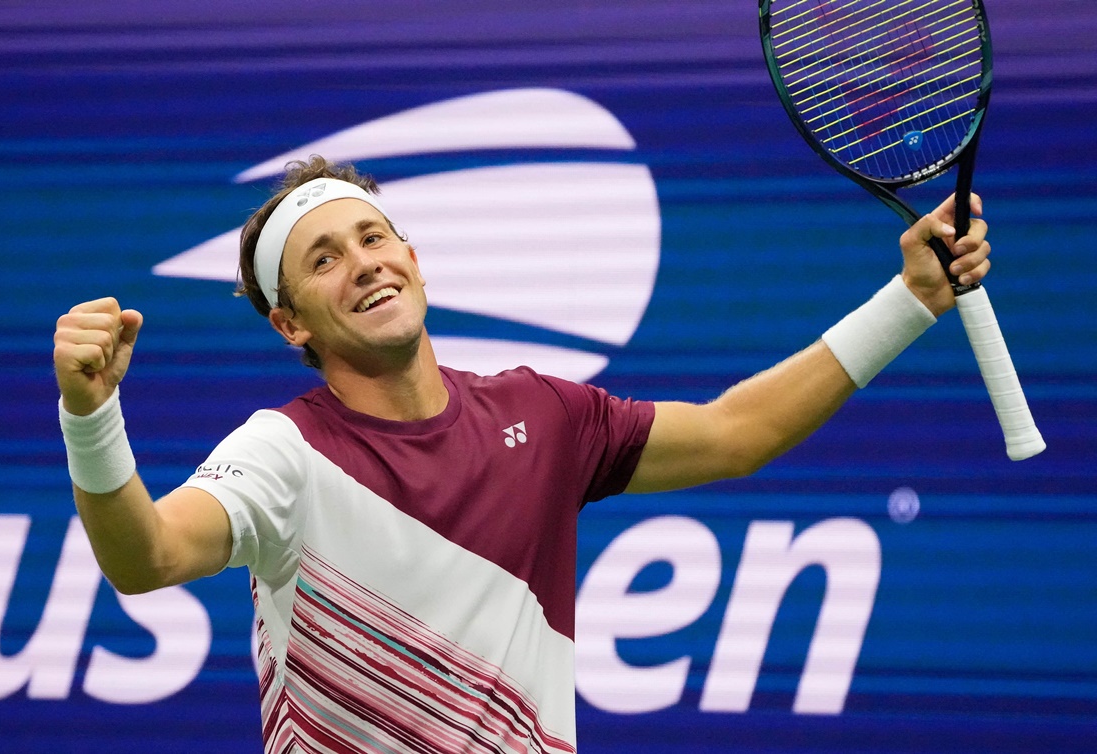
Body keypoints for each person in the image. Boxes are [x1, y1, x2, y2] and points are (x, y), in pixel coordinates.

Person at [54, 156, 991, 754]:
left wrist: (909, 301)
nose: (365, 262)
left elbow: (741, 433)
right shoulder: (285, 455)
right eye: (326, 258)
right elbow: (149, 557)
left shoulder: (540, 416)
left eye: (374, 237)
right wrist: (91, 416)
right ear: (292, 322)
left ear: (415, 259)